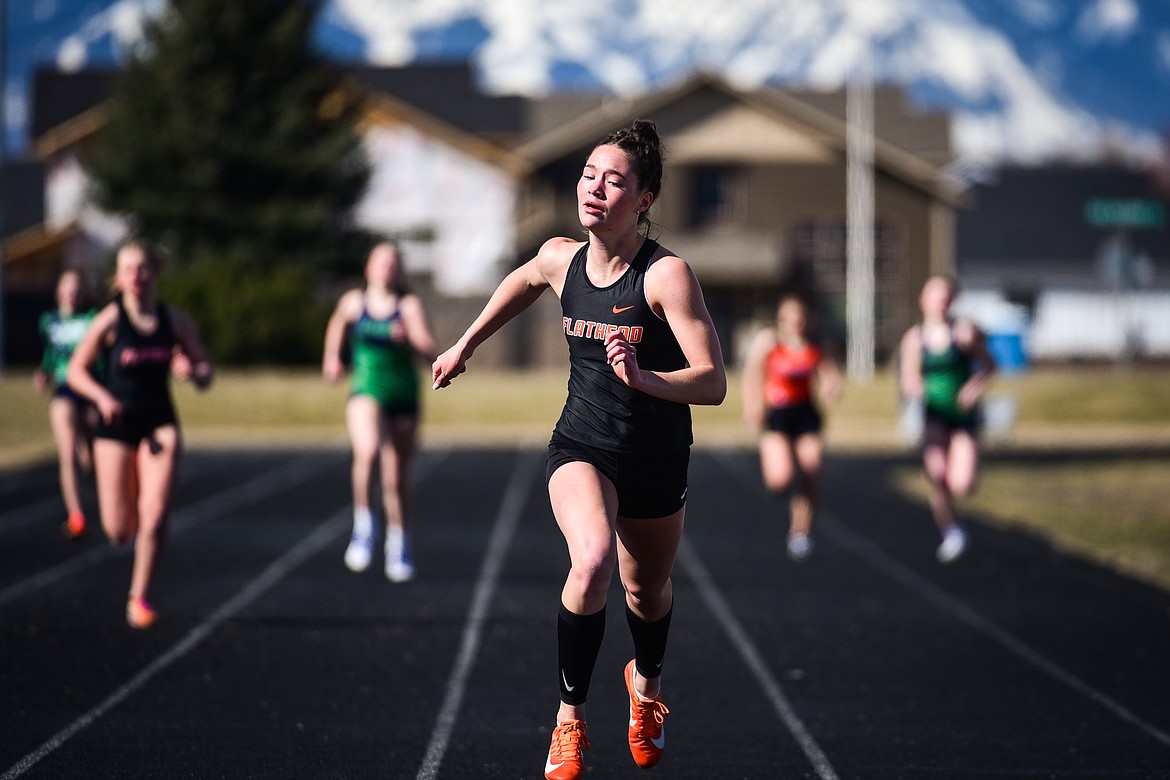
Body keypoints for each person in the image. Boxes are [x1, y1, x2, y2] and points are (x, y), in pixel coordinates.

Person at [432, 119, 726, 780]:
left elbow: (714, 383)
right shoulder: (562, 257)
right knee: (590, 561)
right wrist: (465, 344)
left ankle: (644, 690)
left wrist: (646, 378)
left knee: (645, 591)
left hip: (655, 454)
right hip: (582, 443)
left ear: (643, 199)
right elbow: (525, 278)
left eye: (614, 180)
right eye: (589, 175)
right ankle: (569, 721)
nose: (595, 188)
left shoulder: (666, 277)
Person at [67, 239, 214, 628]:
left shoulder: (174, 321)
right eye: (128, 269)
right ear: (118, 277)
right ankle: (133, 556)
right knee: (119, 529)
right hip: (116, 428)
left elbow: (205, 372)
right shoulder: (110, 321)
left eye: (143, 269)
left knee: (154, 514)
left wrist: (193, 372)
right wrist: (101, 397)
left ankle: (139, 597)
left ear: (155, 273)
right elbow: (75, 371)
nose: (136, 277)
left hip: (160, 424)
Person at [322, 241, 437, 582]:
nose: (387, 267)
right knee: (368, 450)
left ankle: (399, 542)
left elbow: (429, 350)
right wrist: (332, 356)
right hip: (366, 390)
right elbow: (336, 324)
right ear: (368, 268)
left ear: (399, 270)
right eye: (381, 261)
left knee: (395, 478)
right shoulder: (353, 302)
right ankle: (363, 526)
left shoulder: (409, 305)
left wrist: (410, 340)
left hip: (402, 395)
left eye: (393, 262)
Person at [898, 275, 995, 563]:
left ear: (952, 302)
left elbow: (989, 365)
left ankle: (960, 471)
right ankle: (952, 531)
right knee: (936, 472)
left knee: (962, 484)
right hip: (934, 415)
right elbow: (908, 379)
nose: (940, 304)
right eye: (935, 298)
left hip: (962, 416)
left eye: (945, 298)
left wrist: (974, 387)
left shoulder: (963, 334)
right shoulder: (915, 339)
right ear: (923, 301)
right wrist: (916, 386)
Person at [740, 294, 841, 561]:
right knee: (781, 479)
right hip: (777, 417)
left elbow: (829, 373)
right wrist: (752, 406)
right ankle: (780, 483)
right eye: (789, 318)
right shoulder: (769, 343)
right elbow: (752, 374)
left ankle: (800, 532)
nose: (795, 323)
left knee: (810, 471)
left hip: (806, 416)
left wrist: (832, 387)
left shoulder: (816, 344)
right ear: (781, 319)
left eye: (800, 318)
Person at [34, 269, 99, 539]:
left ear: (82, 293)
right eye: (67, 288)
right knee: (68, 453)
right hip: (63, 390)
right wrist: (44, 372)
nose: (72, 294)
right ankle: (76, 516)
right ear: (58, 292)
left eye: (77, 289)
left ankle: (106, 496)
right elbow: (50, 352)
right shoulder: (49, 321)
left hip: (91, 389)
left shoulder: (92, 318)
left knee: (91, 457)